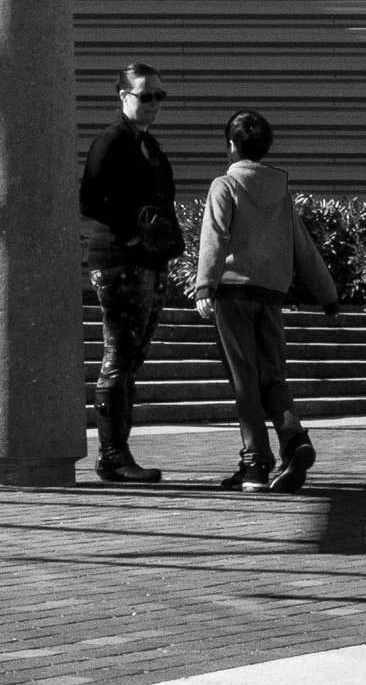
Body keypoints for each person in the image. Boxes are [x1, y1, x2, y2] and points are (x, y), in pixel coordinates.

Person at [195, 109, 339, 493]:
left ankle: (255, 464)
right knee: (273, 377)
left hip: (233, 295)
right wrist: (327, 295)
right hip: (271, 296)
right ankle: (295, 440)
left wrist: (205, 286)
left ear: (230, 146)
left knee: (244, 380)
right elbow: (303, 247)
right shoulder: (281, 193)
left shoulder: (225, 186)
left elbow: (215, 236)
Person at [79, 62, 185, 485]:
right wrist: (133, 233)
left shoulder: (149, 146)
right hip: (118, 259)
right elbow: (89, 200)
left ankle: (117, 455)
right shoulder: (111, 141)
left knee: (132, 357)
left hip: (148, 261)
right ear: (123, 95)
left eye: (160, 95)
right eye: (146, 95)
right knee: (120, 355)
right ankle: (112, 456)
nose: (154, 103)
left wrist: (167, 243)